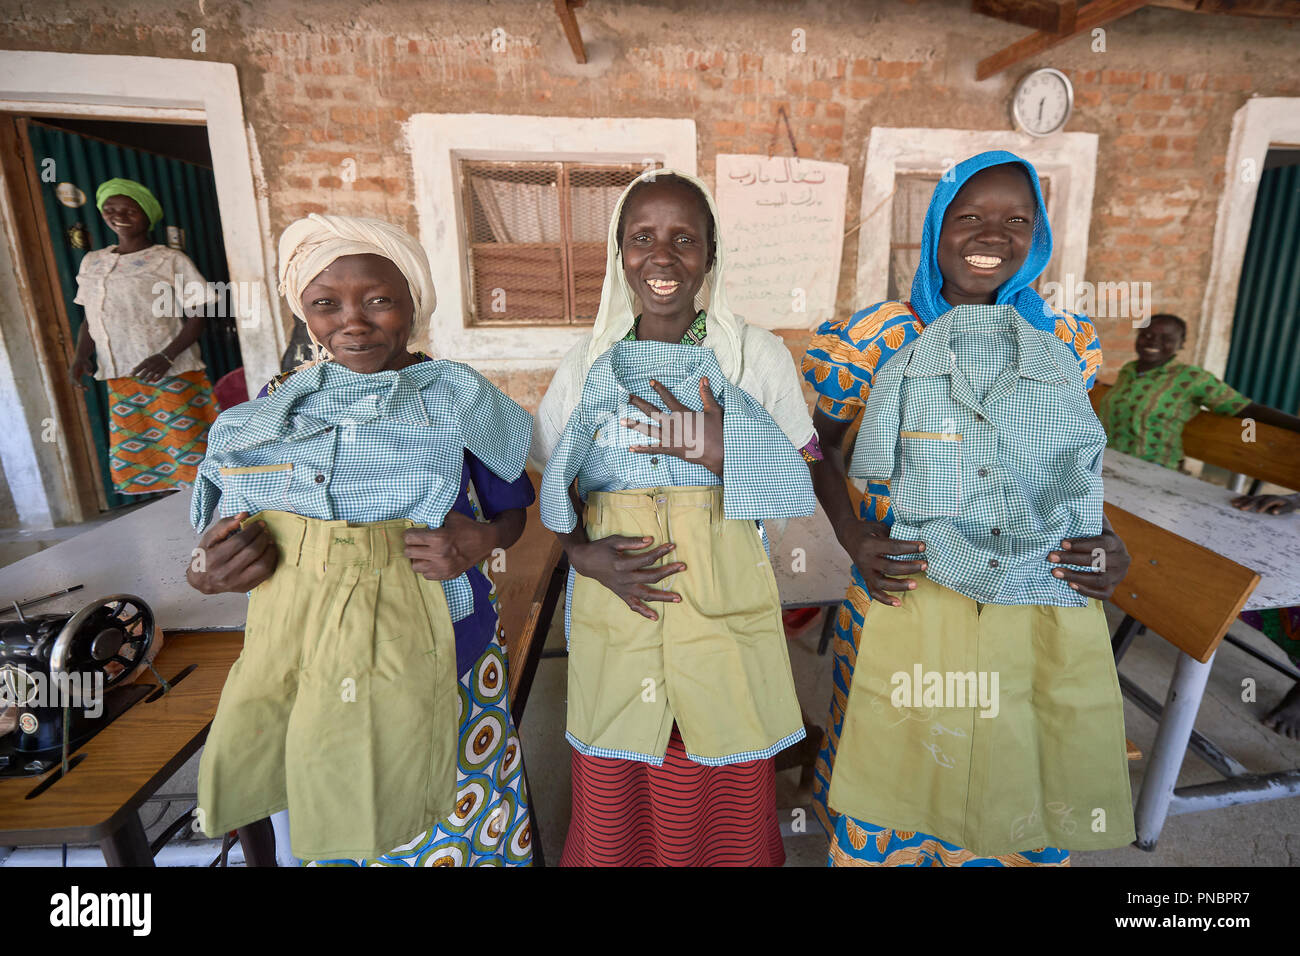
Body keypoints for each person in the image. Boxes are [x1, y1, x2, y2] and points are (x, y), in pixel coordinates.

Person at [802, 151, 1134, 866]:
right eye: (970, 216)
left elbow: (1070, 466)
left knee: (1012, 744)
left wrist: (1106, 541)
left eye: (1017, 219)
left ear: (1037, 238)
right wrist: (854, 535)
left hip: (1029, 588)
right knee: (898, 752)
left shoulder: (1063, 344)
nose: (993, 234)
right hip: (903, 586)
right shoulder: (878, 339)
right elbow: (816, 448)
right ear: (936, 228)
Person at [185, 214, 536, 866]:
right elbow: (227, 527)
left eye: (379, 300)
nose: (353, 321)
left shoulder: (456, 397)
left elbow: (515, 509)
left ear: (412, 304)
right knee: (339, 800)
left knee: (458, 813)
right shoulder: (276, 406)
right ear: (304, 315)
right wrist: (209, 567)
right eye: (326, 304)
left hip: (447, 637)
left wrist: (481, 539)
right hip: (313, 647)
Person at [531, 169, 820, 867]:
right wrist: (580, 555)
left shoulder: (755, 355)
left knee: (716, 745)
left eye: (684, 239)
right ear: (619, 254)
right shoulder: (588, 362)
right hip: (619, 587)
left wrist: (725, 450)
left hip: (720, 580)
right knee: (626, 749)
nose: (662, 257)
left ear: (711, 256)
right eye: (642, 238)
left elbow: (800, 477)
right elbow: (550, 474)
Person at [69, 178, 219, 494]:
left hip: (170, 370)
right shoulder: (93, 262)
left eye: (129, 209)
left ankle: (209, 512)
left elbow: (198, 315)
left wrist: (166, 356)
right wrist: (80, 357)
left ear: (147, 215)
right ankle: (169, 516)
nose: (119, 215)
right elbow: (90, 317)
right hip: (121, 371)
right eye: (110, 209)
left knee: (189, 451)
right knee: (146, 454)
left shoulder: (170, 260)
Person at [1097, 312, 1300, 471]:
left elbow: (1247, 410)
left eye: (1166, 338)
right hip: (1111, 463)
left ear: (1181, 344)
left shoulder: (1191, 378)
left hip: (1153, 469)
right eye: (1146, 335)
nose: (1152, 342)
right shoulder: (1128, 370)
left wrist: (1295, 424)